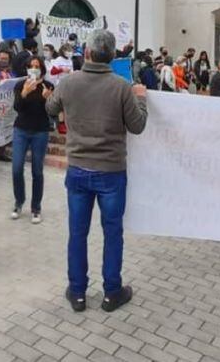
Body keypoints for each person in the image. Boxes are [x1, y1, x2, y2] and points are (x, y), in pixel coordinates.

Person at [46, 30, 147, 313]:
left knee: (77, 233)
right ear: (113, 56)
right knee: (112, 233)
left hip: (78, 169)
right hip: (111, 172)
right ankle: (111, 292)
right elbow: (138, 126)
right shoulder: (122, 87)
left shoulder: (68, 83)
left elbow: (50, 107)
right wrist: (142, 99)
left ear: (87, 53)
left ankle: (77, 292)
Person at [11, 56, 54, 224]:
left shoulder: (48, 85)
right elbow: (17, 107)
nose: (34, 68)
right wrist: (24, 93)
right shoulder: (20, 85)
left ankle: (36, 207)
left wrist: (47, 99)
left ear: (42, 68)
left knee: (37, 171)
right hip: (21, 129)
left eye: (37, 66)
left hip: (40, 131)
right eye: (31, 66)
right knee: (16, 168)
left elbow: (53, 113)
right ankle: (18, 201)